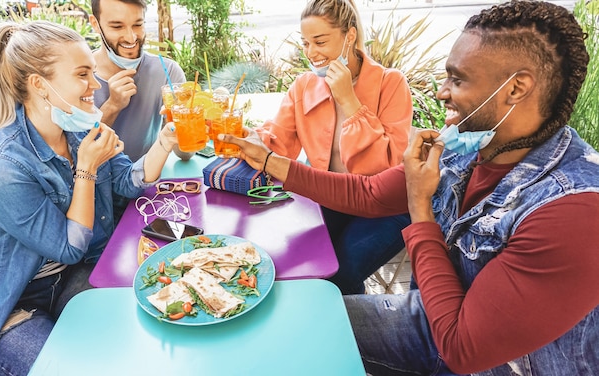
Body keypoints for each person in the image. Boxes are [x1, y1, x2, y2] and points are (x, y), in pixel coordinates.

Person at [222, 1, 599, 374]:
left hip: (487, 359)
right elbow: (366, 194)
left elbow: (460, 350)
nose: (442, 92)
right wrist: (269, 161)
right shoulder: (468, 148)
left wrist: (420, 206)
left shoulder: (573, 211)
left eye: (458, 79)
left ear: (516, 88)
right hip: (433, 315)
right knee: (291, 321)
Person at [0, 21, 179, 375]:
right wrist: (85, 168)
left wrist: (165, 141)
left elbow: (127, 181)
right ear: (40, 84)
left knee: (141, 339)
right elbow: (69, 246)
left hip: (71, 276)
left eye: (93, 73)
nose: (95, 86)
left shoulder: (82, 127)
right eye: (83, 74)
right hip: (10, 304)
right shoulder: (2, 166)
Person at [261, 0, 413, 294]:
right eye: (306, 43)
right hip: (329, 197)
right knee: (296, 261)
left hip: (384, 207)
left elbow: (389, 167)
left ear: (350, 36)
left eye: (320, 41)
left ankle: (355, 335)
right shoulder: (304, 86)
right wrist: (244, 137)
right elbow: (278, 144)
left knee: (339, 274)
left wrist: (349, 101)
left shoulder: (391, 83)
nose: (311, 53)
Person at [89, 0, 186, 162]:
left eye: (137, 25)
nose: (131, 37)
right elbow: (75, 157)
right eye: (117, 26)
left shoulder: (167, 72)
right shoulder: (77, 77)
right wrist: (112, 106)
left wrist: (183, 126)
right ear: (95, 24)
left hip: (146, 180)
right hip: (93, 184)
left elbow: (184, 154)